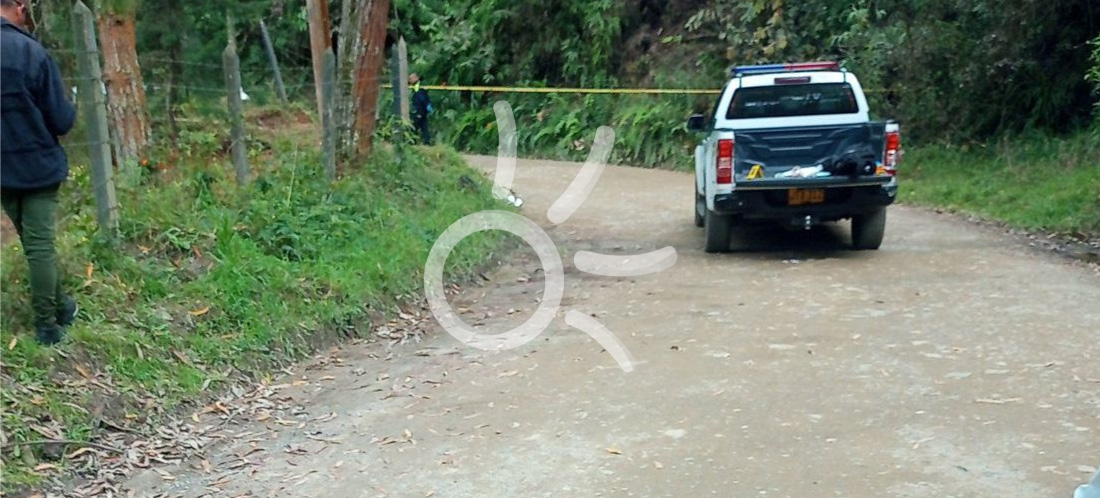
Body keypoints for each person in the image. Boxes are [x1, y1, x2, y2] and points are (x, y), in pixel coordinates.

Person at [1, 0, 79, 345]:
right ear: (18, 7)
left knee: (33, 246)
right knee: (40, 247)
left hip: (2, 169)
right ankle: (47, 326)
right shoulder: (31, 52)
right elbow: (61, 120)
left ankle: (62, 306)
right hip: (38, 167)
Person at [409, 73, 432, 145]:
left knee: (415, 126)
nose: (410, 80)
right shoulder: (416, 86)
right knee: (423, 126)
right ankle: (426, 141)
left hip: (420, 109)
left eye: (411, 78)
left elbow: (422, 98)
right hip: (422, 109)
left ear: (416, 78)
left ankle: (413, 141)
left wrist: (425, 106)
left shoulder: (419, 87)